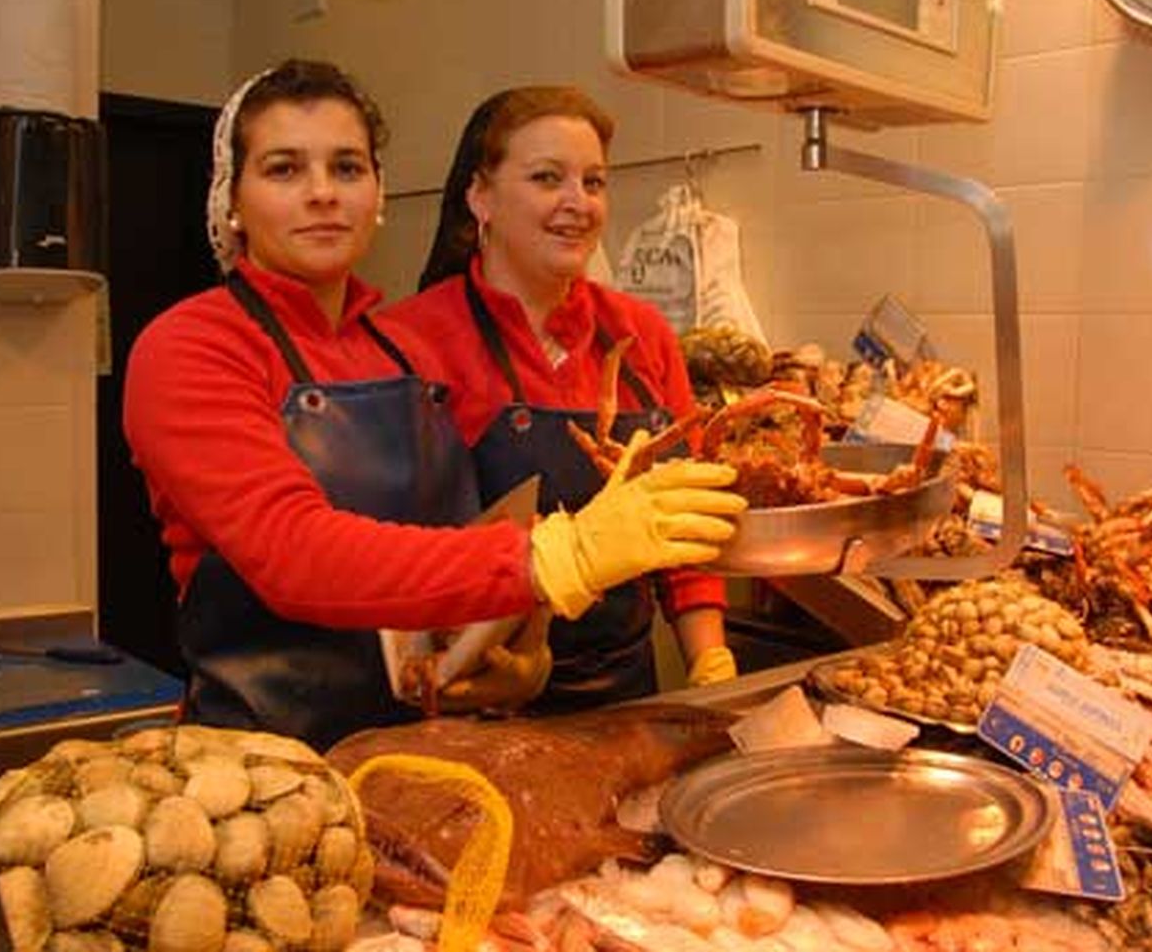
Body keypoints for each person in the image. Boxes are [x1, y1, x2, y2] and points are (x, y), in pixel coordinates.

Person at [122, 61, 746, 749]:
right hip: (270, 760)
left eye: (347, 167)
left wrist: (515, 661)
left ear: (377, 193)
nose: (323, 193)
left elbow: (446, 547)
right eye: (284, 169)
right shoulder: (190, 346)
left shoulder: (399, 353)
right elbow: (293, 552)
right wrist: (556, 558)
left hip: (426, 749)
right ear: (232, 201)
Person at [387, 86, 741, 712]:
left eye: (594, 182)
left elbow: (687, 521)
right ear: (480, 197)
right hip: (474, 693)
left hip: (625, 693)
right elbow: (392, 559)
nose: (578, 203)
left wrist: (711, 667)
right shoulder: (407, 342)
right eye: (548, 178)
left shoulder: (642, 334)